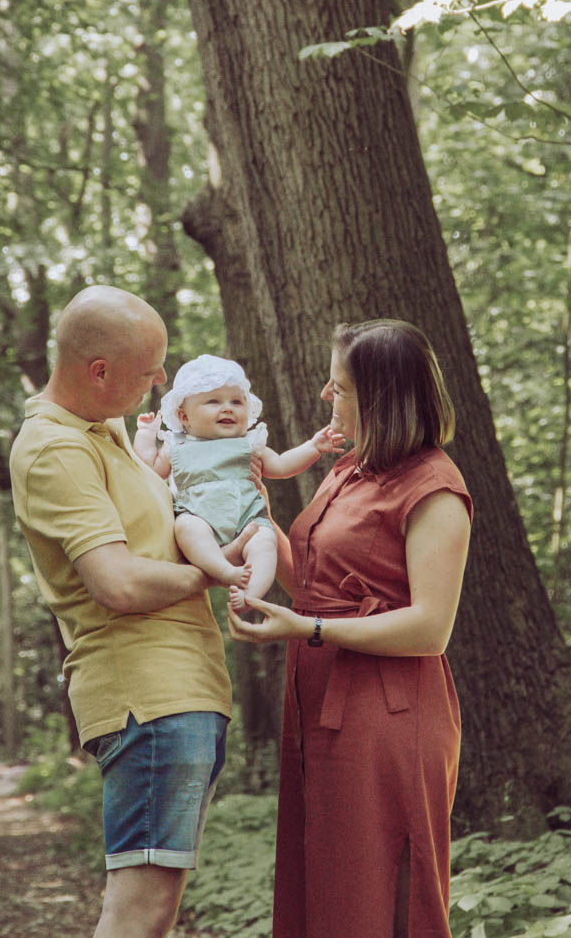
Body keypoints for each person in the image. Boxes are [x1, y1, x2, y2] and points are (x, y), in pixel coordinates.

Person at [228, 319, 473, 938]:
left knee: (379, 885)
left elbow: (430, 628)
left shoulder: (435, 490)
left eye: (338, 387)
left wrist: (307, 629)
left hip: (387, 718)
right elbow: (315, 583)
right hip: (321, 703)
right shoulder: (351, 469)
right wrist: (249, 510)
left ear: (380, 398)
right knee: (327, 881)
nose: (324, 396)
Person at [10, 286, 242, 938]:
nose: (162, 380)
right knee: (138, 913)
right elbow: (115, 581)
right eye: (148, 370)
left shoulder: (104, 428)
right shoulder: (57, 448)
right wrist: (213, 573)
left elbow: (148, 524)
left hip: (181, 691)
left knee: (154, 910)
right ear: (98, 372)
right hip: (147, 696)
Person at [133, 354, 343, 610]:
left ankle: (251, 594)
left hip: (247, 516)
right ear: (184, 416)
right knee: (186, 528)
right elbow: (150, 469)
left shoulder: (250, 443)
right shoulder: (176, 445)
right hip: (199, 515)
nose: (227, 408)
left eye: (236, 401)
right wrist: (145, 434)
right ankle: (224, 570)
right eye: (213, 401)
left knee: (265, 542)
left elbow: (282, 465)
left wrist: (313, 447)